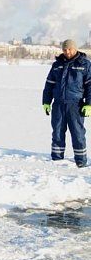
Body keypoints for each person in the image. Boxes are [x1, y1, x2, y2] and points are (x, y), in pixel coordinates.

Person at [42, 39, 91, 168]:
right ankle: (57, 160)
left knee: (77, 133)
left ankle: (81, 161)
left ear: (75, 49)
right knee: (57, 132)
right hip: (58, 104)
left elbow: (90, 86)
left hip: (75, 105)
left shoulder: (85, 64)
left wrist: (89, 104)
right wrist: (46, 102)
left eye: (70, 49)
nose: (67, 52)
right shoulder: (57, 65)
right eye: (65, 50)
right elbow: (49, 84)